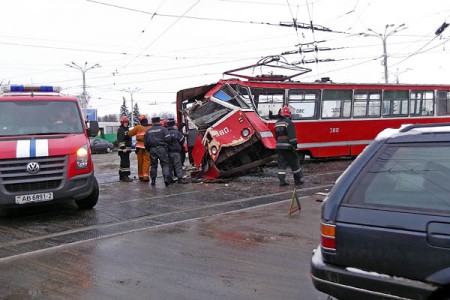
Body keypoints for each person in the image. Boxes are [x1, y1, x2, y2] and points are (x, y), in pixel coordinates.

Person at [274, 106, 304, 187]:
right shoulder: (288, 122)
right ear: (289, 114)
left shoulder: (277, 123)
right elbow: (292, 136)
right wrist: (294, 145)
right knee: (294, 162)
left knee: (281, 164)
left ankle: (282, 181)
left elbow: (276, 136)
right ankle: (298, 180)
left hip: (279, 147)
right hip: (288, 147)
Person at [144, 116, 172, 186]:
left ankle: (153, 180)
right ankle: (166, 178)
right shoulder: (163, 129)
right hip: (162, 148)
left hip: (152, 149)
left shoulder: (148, 131)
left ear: (152, 122)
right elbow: (169, 139)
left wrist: (149, 150)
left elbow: (146, 143)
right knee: (165, 164)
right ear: (159, 121)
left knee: (153, 165)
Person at [127, 115, 152, 182]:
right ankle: (145, 176)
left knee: (140, 162)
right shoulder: (150, 128)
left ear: (140, 121)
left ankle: (140, 176)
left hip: (139, 147)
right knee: (147, 161)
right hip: (147, 147)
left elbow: (129, 134)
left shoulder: (138, 127)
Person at [166, 120, 188, 184]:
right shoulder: (176, 132)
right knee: (178, 165)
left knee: (169, 165)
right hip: (176, 151)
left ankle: (169, 178)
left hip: (167, 152)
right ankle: (180, 178)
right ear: (173, 125)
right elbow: (182, 140)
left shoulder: (165, 132)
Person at [117, 116, 133, 182]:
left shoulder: (127, 129)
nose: (126, 123)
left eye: (127, 122)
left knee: (124, 163)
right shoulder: (121, 130)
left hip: (127, 150)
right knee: (125, 163)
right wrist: (123, 148)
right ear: (122, 123)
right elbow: (120, 139)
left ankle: (121, 176)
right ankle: (125, 176)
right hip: (123, 150)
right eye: (125, 122)